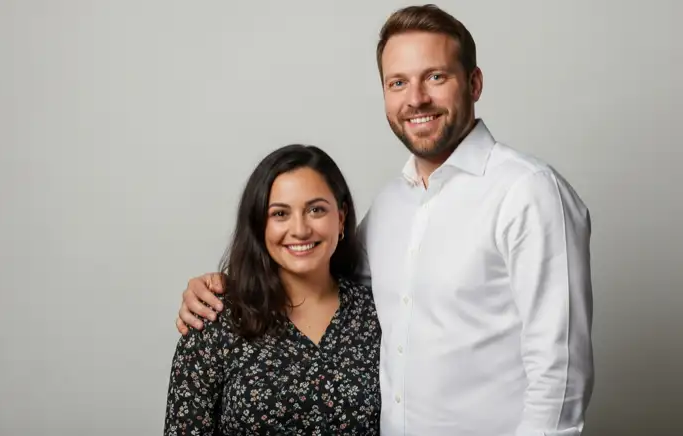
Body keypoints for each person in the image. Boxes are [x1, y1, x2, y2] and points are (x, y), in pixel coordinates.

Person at [175, 4, 594, 436]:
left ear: (474, 83)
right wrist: (218, 286)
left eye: (435, 76)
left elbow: (559, 375)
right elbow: (317, 272)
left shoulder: (527, 192)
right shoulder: (391, 204)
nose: (416, 99)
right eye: (398, 82)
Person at [164, 144, 382, 435]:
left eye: (316, 210)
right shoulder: (215, 317)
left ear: (341, 218)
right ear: (259, 224)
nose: (300, 229)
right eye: (280, 214)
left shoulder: (379, 315)